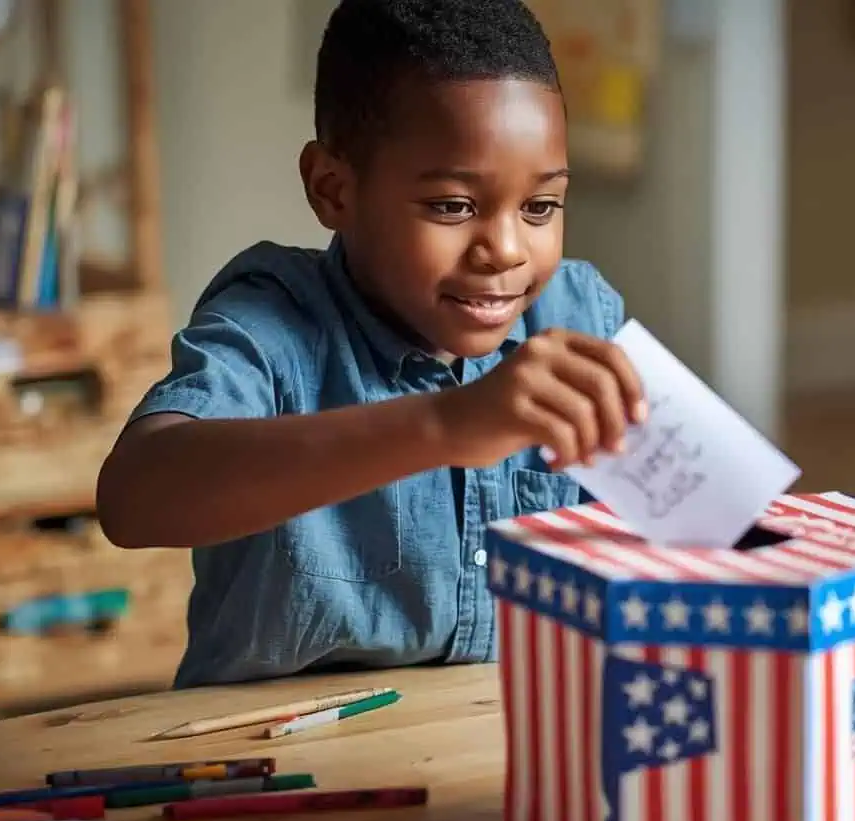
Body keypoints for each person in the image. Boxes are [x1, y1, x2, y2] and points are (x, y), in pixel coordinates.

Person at [95, 0, 644, 689]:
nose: (505, 250)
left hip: (499, 752)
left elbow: (692, 524)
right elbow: (134, 497)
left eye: (540, 207)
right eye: (452, 205)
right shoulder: (273, 321)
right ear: (333, 189)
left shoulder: (578, 316)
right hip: (281, 763)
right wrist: (445, 426)